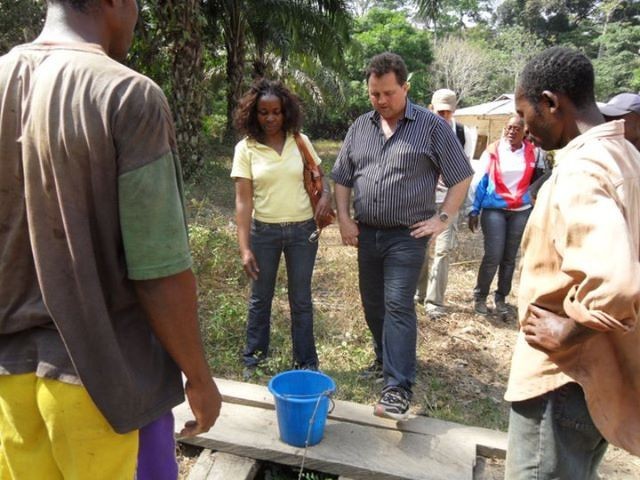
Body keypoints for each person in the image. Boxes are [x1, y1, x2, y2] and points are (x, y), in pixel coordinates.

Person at [0, 1, 222, 479]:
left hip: (10, 379)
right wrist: (199, 378)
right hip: (102, 386)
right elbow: (159, 269)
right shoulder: (127, 94)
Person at [505, 46, 640, 479]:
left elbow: (616, 285)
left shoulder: (581, 172)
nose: (524, 128)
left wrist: (569, 330)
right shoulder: (626, 157)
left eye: (525, 113)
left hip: (561, 381)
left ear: (550, 103)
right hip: (605, 372)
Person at [331, 52, 473, 420]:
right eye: (374, 93)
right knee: (373, 303)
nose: (380, 101)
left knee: (397, 304)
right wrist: (344, 218)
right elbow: (342, 176)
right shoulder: (360, 127)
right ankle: (385, 359)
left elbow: (461, 175)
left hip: (407, 236)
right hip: (367, 233)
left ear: (405, 88)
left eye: (388, 93)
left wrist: (442, 218)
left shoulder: (432, 127)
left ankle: (397, 387)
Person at [231, 79, 332, 378]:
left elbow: (320, 178)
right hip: (264, 234)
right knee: (260, 298)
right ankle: (254, 360)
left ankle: (306, 363)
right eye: (264, 112)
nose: (271, 118)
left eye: (276, 111)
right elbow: (243, 203)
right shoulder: (245, 149)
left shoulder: (300, 141)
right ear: (253, 114)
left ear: (286, 112)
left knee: (301, 299)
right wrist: (245, 248)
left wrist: (325, 198)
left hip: (302, 233)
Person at [467, 115, 542, 317]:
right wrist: (473, 209)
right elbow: (479, 181)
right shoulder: (493, 150)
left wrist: (533, 199)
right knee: (493, 255)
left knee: (509, 258)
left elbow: (541, 178)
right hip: (495, 208)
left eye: (516, 128)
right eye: (508, 128)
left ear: (524, 131)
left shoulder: (534, 152)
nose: (511, 131)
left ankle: (501, 298)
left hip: (521, 210)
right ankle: (480, 296)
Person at [415, 88, 477, 318]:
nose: (444, 116)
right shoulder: (418, 131)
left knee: (443, 251)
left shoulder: (464, 134)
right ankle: (419, 293)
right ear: (431, 108)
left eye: (448, 112)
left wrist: (466, 205)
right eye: (439, 112)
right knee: (421, 249)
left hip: (448, 204)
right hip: (422, 202)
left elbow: (465, 172)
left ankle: (435, 302)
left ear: (454, 110)